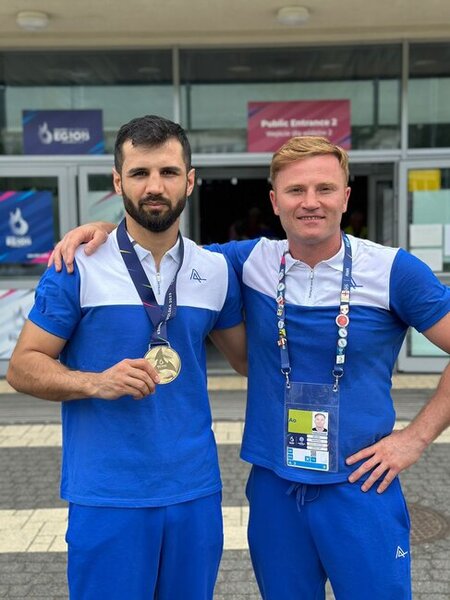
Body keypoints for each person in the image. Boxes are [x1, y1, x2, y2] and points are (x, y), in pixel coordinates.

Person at [47, 135, 450, 600]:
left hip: (360, 483)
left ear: (345, 196)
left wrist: (414, 439)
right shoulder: (245, 261)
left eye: (324, 188)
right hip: (274, 488)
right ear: (275, 202)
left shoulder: (394, 270)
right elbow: (158, 241)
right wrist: (103, 230)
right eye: (296, 191)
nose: (311, 202)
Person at [6, 115, 246, 600]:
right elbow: (22, 366)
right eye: (139, 173)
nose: (154, 186)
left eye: (168, 172)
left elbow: (247, 362)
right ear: (118, 182)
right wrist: (94, 382)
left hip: (194, 491)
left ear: (190, 181)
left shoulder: (217, 269)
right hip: (107, 494)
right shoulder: (78, 264)